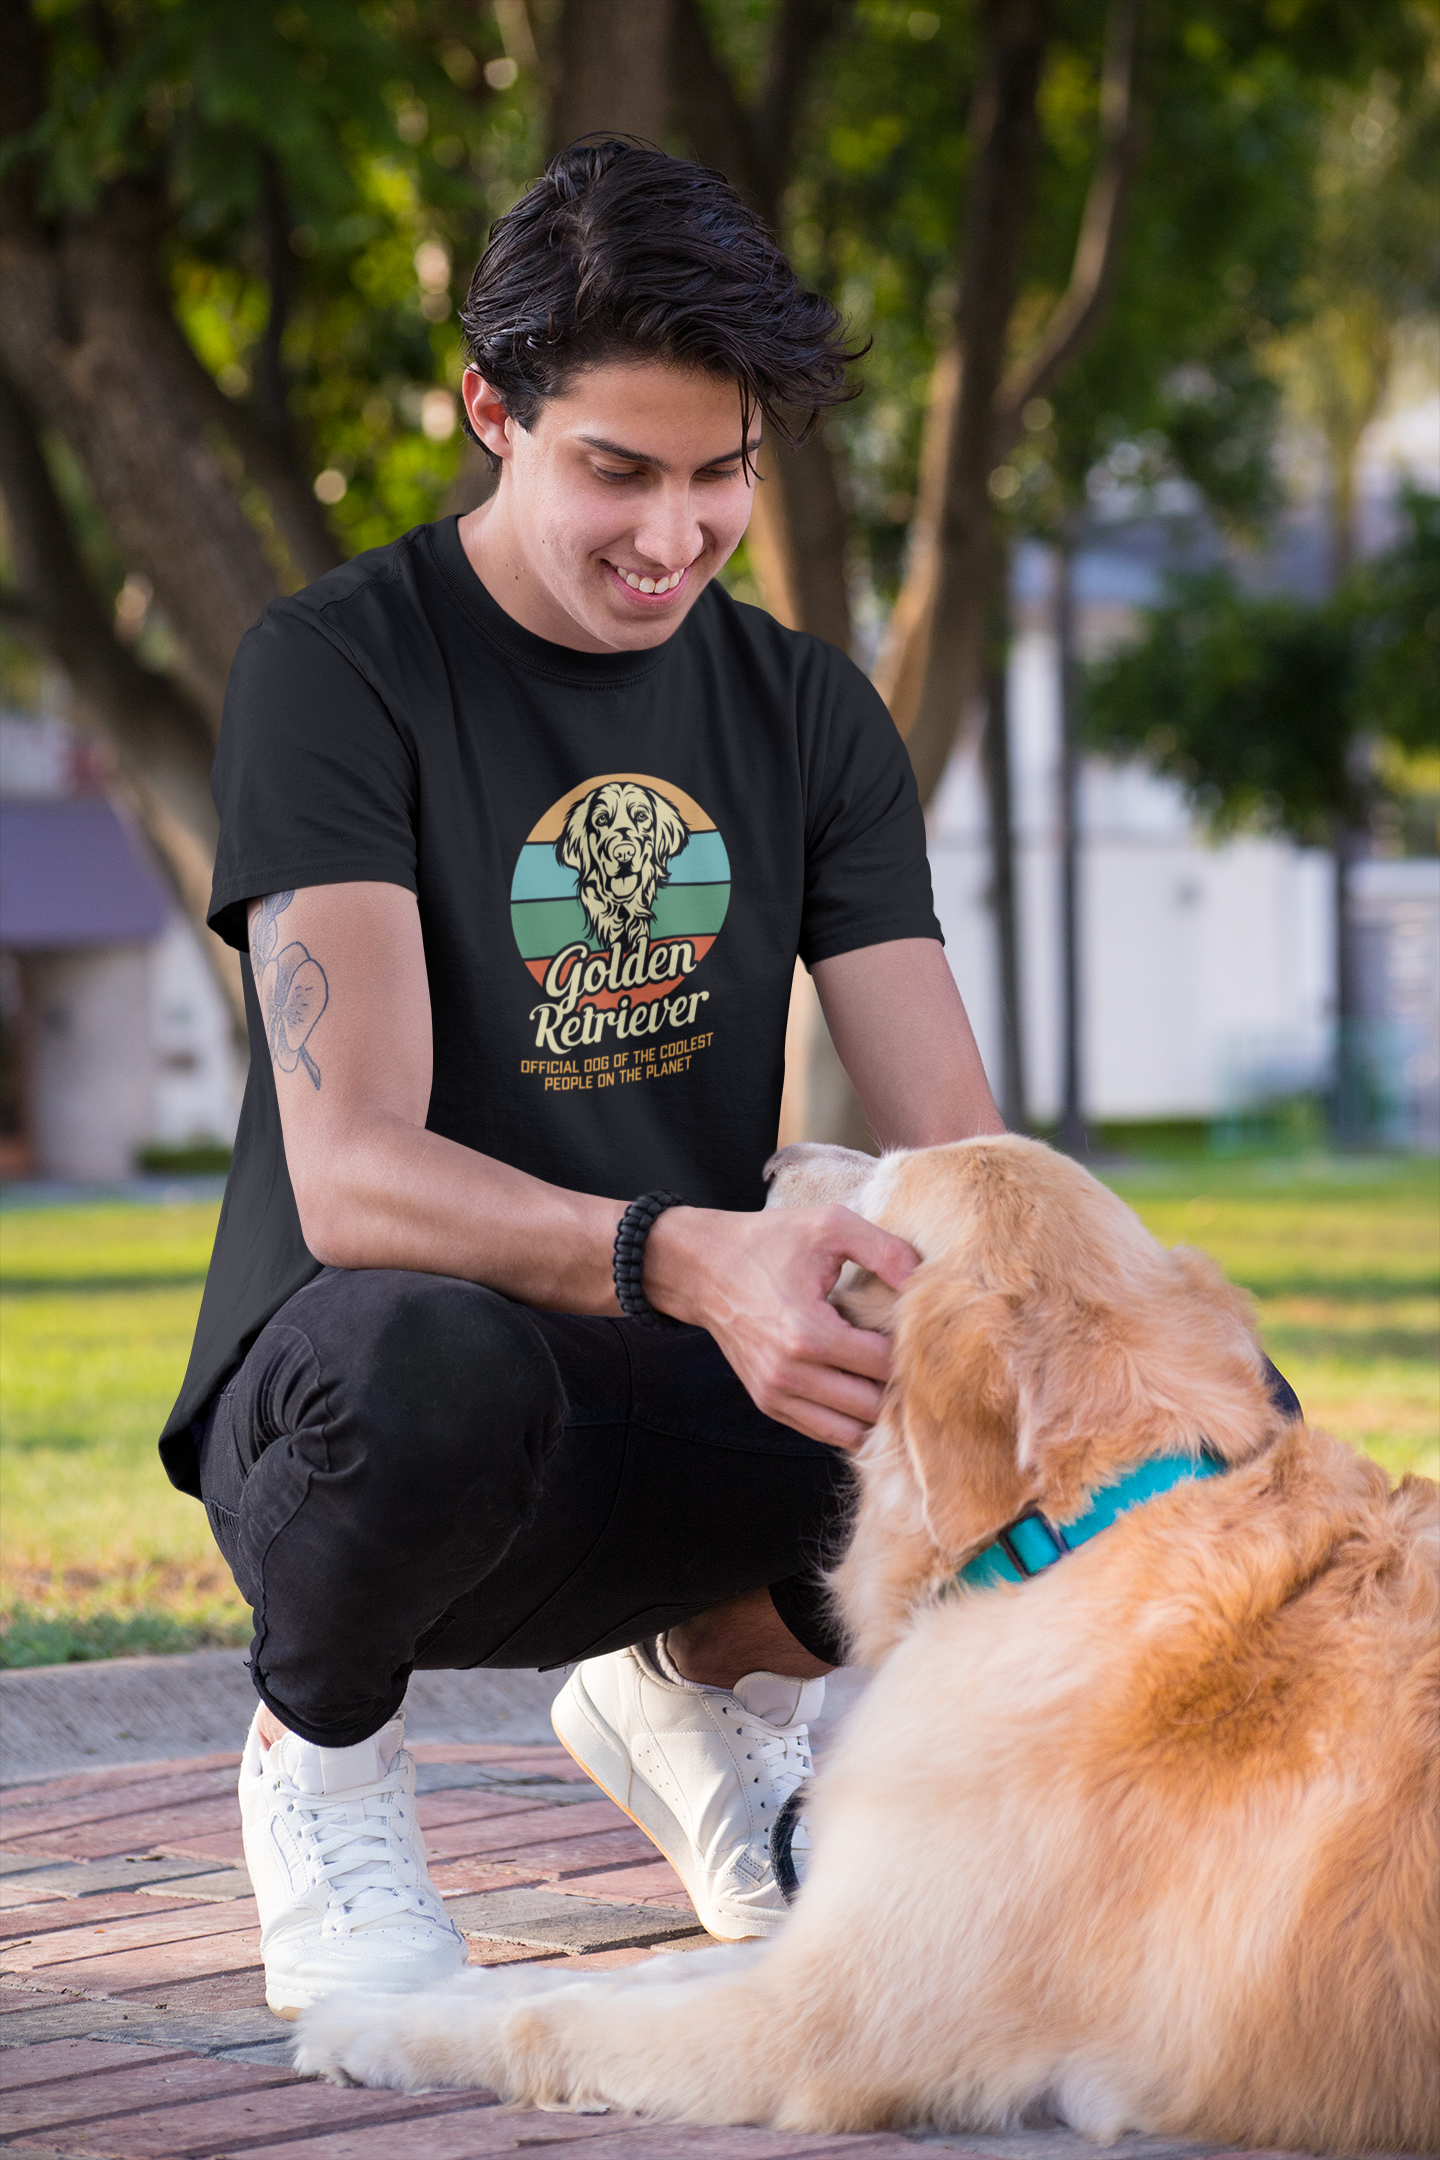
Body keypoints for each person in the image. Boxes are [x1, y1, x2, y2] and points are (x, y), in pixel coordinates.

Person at [159, 139, 1005, 2021]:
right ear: (491, 414)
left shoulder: (803, 710)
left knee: (1030, 1353)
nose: (673, 533)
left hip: (682, 1400)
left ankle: (699, 1695)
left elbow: (965, 1153)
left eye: (722, 476)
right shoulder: (337, 668)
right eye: (615, 470)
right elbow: (356, 1176)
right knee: (428, 1356)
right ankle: (323, 1758)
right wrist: (697, 1252)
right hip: (371, 1414)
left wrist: (1093, 1354)